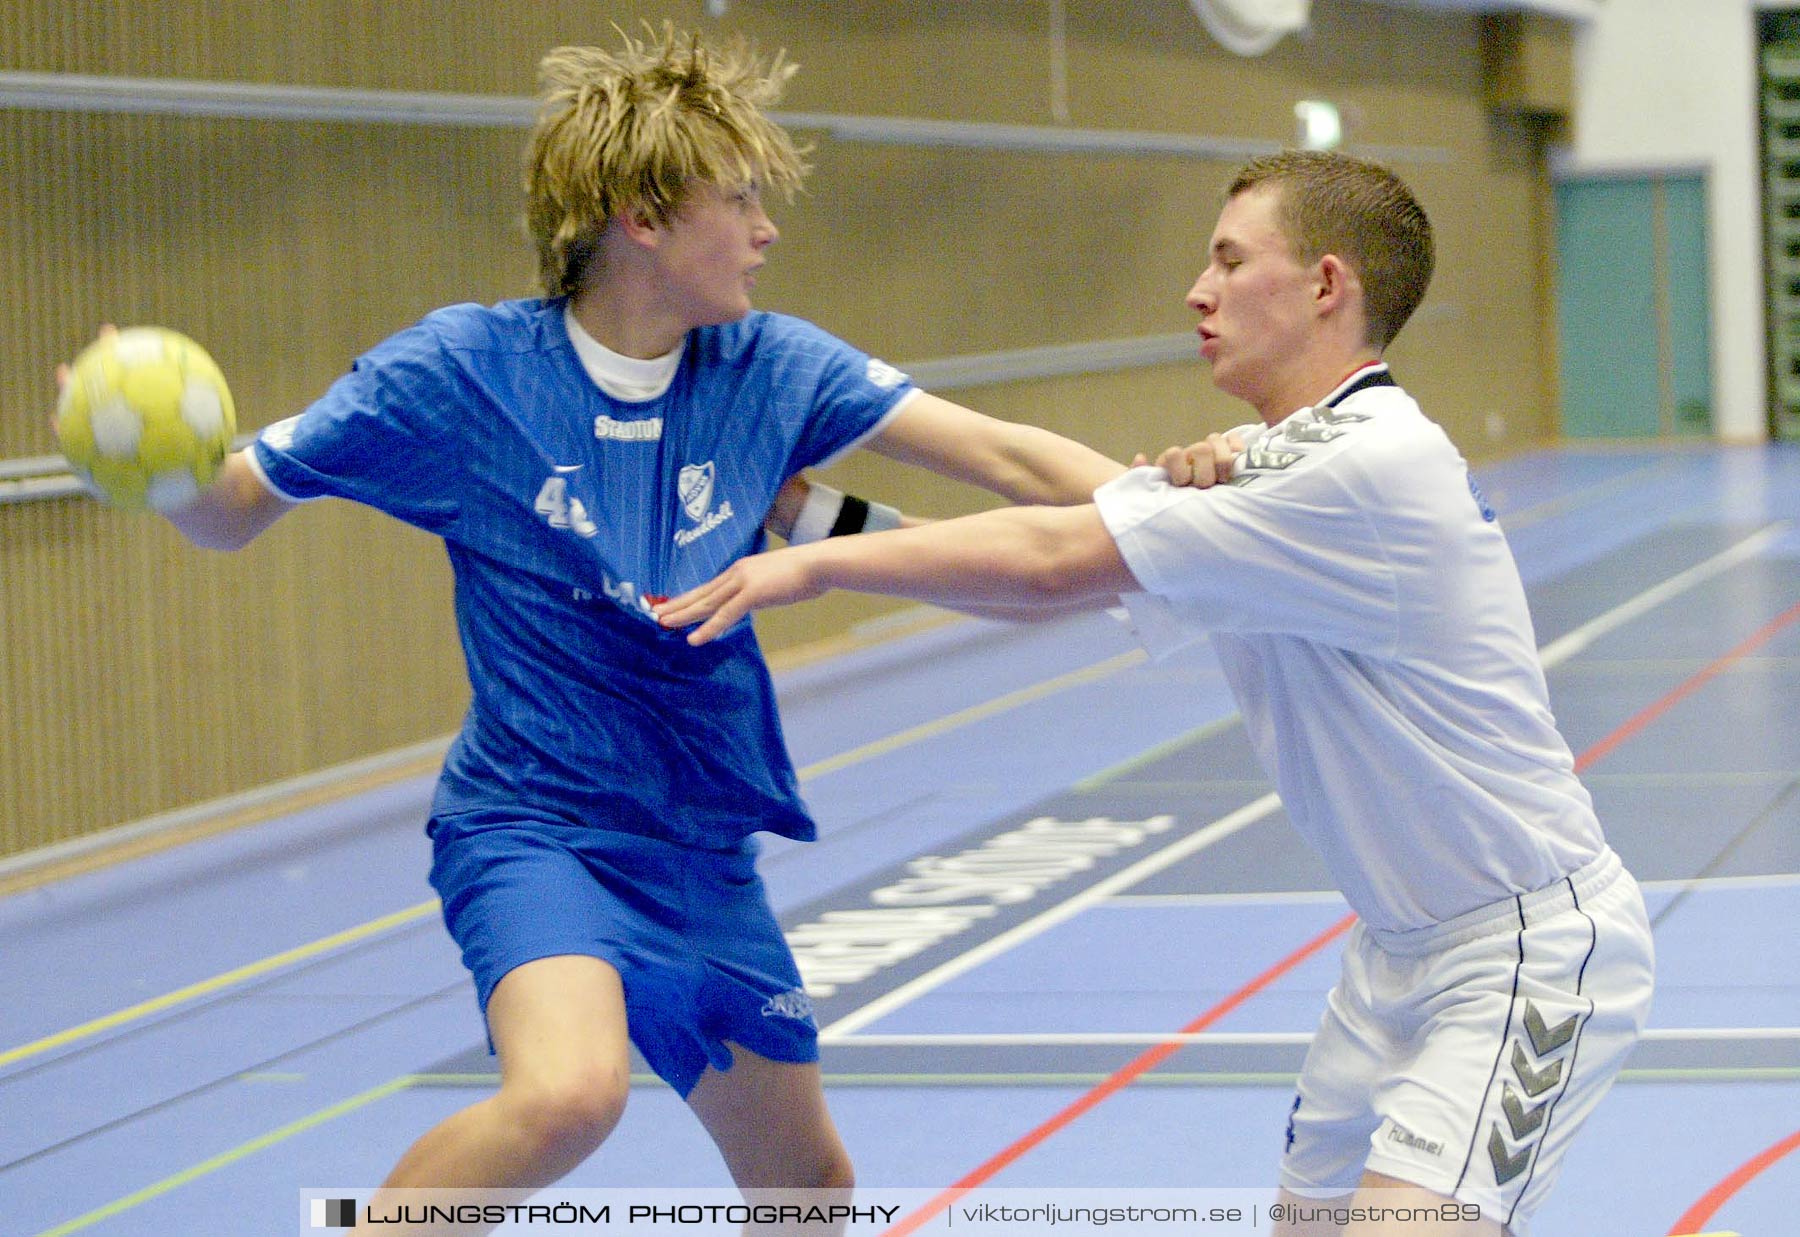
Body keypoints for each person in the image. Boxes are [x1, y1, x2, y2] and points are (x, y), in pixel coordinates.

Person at [57, 25, 1151, 1236]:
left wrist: (1194, 507)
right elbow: (233, 512)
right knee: (570, 1093)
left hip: (699, 846)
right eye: (737, 198)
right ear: (641, 213)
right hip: (536, 825)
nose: (765, 228)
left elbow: (1005, 456)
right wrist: (151, 462)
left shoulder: (769, 367)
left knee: (809, 1192)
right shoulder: (457, 376)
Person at [655, 149, 1656, 1236]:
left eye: (1231, 260)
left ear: (1326, 286)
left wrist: (813, 565)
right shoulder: (1279, 465)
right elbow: (1065, 502)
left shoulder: (1355, 468)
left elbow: (1048, 560)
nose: (1198, 289)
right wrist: (805, 509)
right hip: (1394, 956)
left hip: (1519, 952)